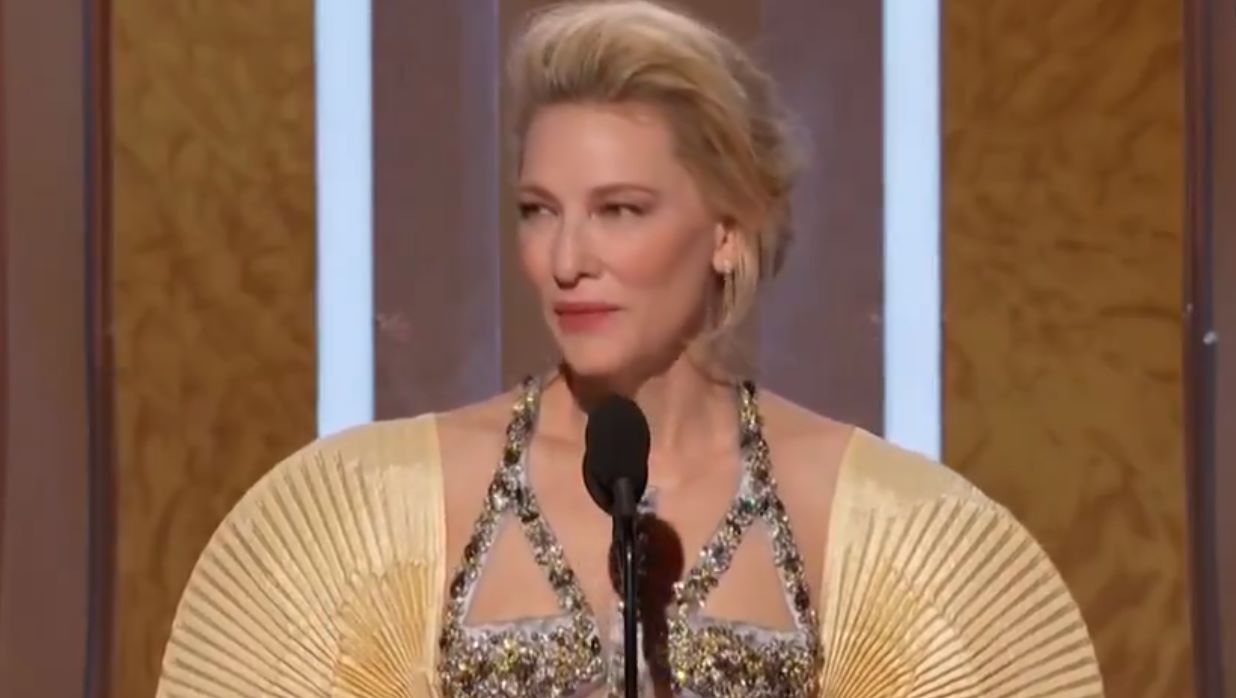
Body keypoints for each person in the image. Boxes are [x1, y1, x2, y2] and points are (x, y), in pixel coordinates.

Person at [155, 1, 1104, 696]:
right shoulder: (381, 513)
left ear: (728, 229)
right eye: (539, 212)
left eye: (619, 210)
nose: (568, 260)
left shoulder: (874, 524)